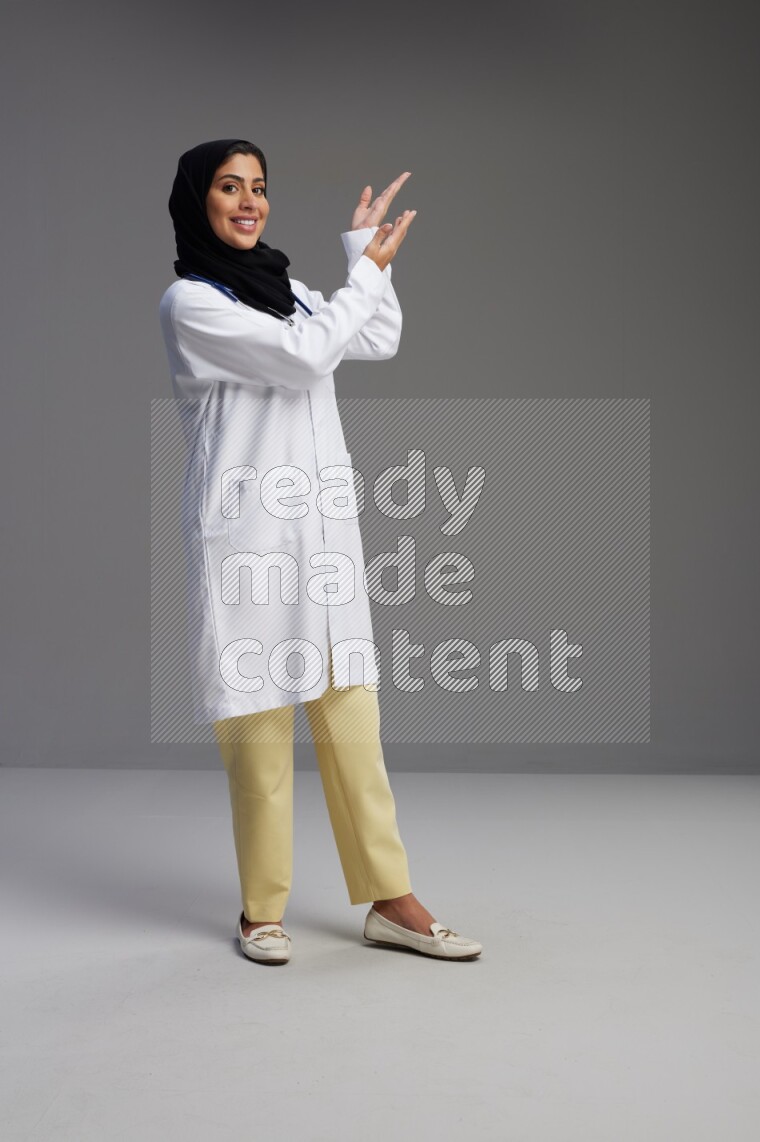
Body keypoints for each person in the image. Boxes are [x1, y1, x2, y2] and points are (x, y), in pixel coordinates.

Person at [159, 138, 482, 964]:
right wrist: (363, 275)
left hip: (322, 539)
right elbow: (308, 359)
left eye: (259, 187)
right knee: (259, 738)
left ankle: (389, 899)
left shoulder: (292, 293)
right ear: (199, 201)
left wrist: (358, 255)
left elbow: (373, 339)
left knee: (353, 728)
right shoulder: (193, 305)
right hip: (250, 544)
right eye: (229, 187)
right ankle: (260, 910)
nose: (248, 201)